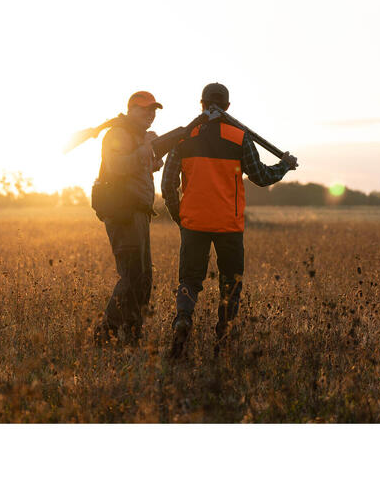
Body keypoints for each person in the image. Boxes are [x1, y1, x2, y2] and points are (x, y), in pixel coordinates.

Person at [161, 82, 297, 357]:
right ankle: (222, 340)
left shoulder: (184, 137)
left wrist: (180, 215)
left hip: (193, 223)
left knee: (189, 280)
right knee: (230, 283)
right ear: (228, 107)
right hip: (229, 225)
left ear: (201, 104)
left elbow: (167, 184)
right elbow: (261, 177)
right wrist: (284, 165)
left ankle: (184, 319)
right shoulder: (239, 137)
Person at [93, 90, 164, 345]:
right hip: (124, 212)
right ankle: (105, 333)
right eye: (145, 109)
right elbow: (117, 167)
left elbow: (133, 169)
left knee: (144, 278)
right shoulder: (118, 134)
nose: (151, 115)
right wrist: (145, 148)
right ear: (131, 109)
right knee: (132, 275)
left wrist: (151, 161)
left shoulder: (134, 136)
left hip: (138, 212)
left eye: (154, 110)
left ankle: (133, 334)